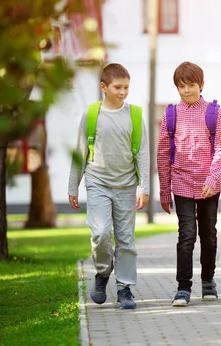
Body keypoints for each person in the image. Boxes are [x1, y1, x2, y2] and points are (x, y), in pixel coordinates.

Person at [68, 63, 150, 309]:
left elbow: (142, 154)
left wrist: (144, 187)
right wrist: (73, 186)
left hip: (126, 185)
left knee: (126, 240)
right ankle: (103, 273)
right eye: (117, 87)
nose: (123, 92)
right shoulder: (91, 114)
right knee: (101, 233)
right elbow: (80, 152)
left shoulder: (134, 115)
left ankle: (124, 288)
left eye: (126, 87)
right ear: (103, 87)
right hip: (97, 183)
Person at [157, 61, 221, 307]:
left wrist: (212, 178)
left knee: (208, 235)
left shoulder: (213, 112)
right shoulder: (170, 114)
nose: (186, 91)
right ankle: (183, 288)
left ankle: (208, 281)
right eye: (181, 86)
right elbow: (163, 154)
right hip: (182, 183)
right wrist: (165, 191)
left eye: (191, 85)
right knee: (187, 235)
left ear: (202, 85)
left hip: (209, 184)